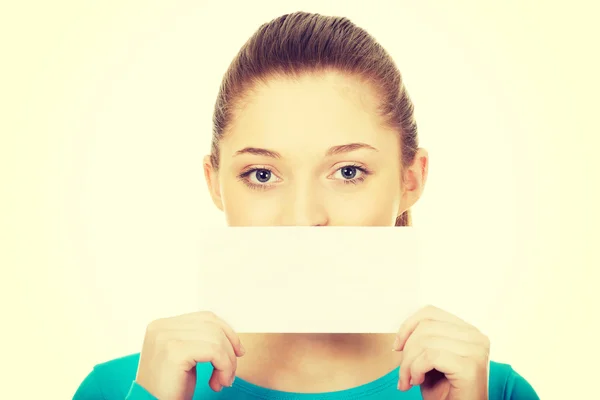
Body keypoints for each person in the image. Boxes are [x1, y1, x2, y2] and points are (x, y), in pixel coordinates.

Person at [73, 11, 539, 400]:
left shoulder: (490, 389)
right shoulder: (120, 388)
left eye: (349, 172)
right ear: (215, 184)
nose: (303, 218)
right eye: (261, 174)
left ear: (411, 179)